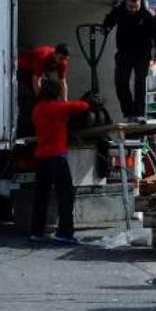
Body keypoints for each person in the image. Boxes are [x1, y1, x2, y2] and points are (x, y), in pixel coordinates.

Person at [29, 78, 91, 245]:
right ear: (56, 93)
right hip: (57, 158)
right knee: (65, 196)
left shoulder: (37, 109)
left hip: (41, 157)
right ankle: (64, 232)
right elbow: (83, 106)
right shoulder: (59, 108)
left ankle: (36, 232)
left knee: (41, 197)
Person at [103, 0, 156, 122]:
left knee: (140, 82)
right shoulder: (119, 11)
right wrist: (106, 28)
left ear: (140, 3)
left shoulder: (148, 15)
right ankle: (129, 112)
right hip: (124, 52)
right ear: (126, 3)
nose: (133, 10)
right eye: (130, 7)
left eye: (136, 7)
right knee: (121, 82)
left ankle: (139, 113)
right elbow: (109, 21)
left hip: (142, 53)